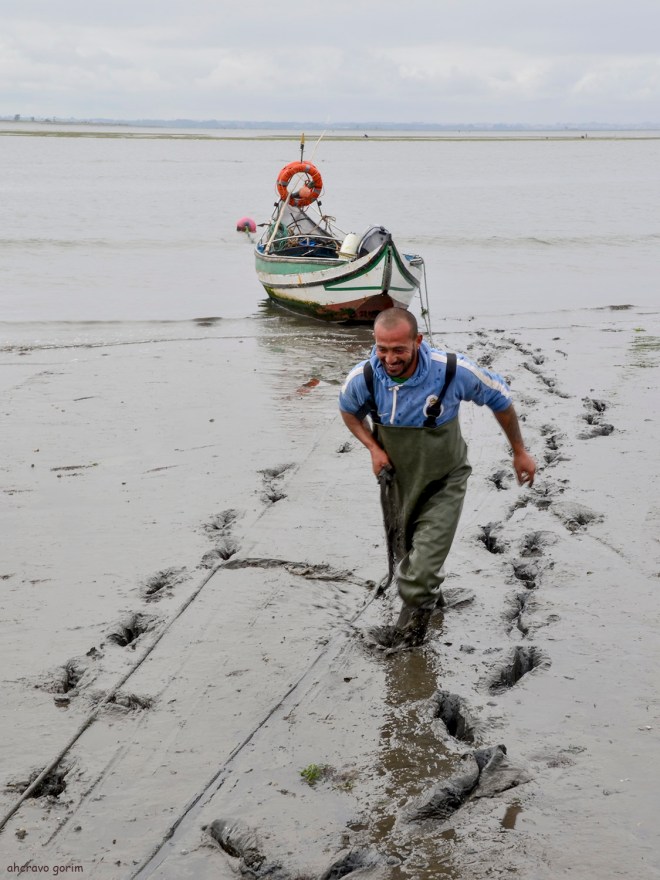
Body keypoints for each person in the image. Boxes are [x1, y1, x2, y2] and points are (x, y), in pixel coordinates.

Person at [338, 307, 536, 650]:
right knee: (408, 554)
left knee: (416, 576)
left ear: (418, 340)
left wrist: (519, 450)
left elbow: (500, 399)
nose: (389, 358)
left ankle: (409, 644)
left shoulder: (453, 371)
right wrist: (372, 447)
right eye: (382, 349)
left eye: (399, 349)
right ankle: (434, 597)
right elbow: (348, 412)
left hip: (445, 480)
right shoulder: (364, 377)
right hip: (397, 481)